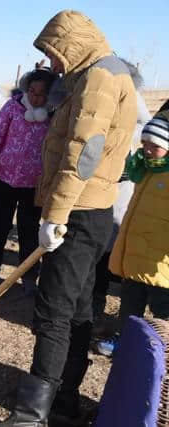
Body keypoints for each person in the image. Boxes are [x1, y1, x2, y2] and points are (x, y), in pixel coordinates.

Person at [0, 11, 138, 426]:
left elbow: (83, 152)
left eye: (55, 54)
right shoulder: (105, 73)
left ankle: (30, 416)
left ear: (73, 44)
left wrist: (55, 215)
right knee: (77, 307)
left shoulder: (99, 79)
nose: (53, 65)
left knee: (54, 311)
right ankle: (65, 397)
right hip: (92, 210)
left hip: (78, 211)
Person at [95, 113, 169, 357]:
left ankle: (161, 352)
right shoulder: (144, 170)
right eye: (145, 144)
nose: (147, 150)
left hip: (160, 265)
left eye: (155, 146)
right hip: (135, 253)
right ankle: (125, 341)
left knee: (162, 310)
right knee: (129, 304)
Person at [92, 61, 152, 348]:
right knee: (96, 257)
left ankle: (127, 328)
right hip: (94, 193)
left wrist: (131, 163)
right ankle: (92, 311)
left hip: (124, 196)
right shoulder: (95, 99)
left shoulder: (139, 119)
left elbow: (149, 132)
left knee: (113, 255)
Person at [0, 69, 56, 290]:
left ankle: (29, 277)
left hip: (34, 185)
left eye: (41, 94)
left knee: (29, 231)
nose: (35, 97)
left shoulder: (54, 115)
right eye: (31, 91)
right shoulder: (12, 107)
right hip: (4, 179)